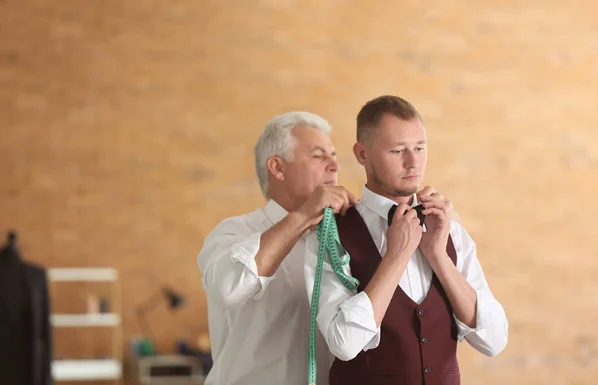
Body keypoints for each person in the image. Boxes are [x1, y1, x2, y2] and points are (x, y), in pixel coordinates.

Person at [304, 95, 508, 385]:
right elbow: (344, 343)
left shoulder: (449, 230)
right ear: (362, 154)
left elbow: (494, 341)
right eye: (398, 150)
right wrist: (396, 256)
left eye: (420, 148)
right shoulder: (330, 234)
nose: (413, 162)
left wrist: (438, 256)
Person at [196, 111, 358, 385]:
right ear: (278, 168)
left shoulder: (343, 240)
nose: (334, 166)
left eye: (333, 156)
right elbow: (228, 288)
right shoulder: (233, 233)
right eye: (319, 156)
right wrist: (304, 216)